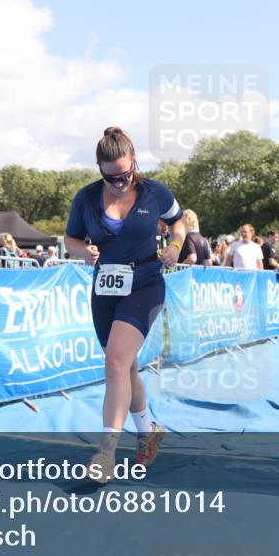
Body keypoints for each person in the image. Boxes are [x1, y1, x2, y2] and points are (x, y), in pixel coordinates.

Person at [63, 126, 187, 484]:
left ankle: (105, 453)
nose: (120, 182)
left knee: (115, 360)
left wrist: (175, 247)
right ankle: (148, 430)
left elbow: (179, 222)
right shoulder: (85, 199)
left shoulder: (155, 192)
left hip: (146, 283)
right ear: (100, 170)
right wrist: (82, 251)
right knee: (126, 368)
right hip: (105, 288)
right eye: (111, 177)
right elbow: (70, 237)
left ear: (134, 161)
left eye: (125, 174)